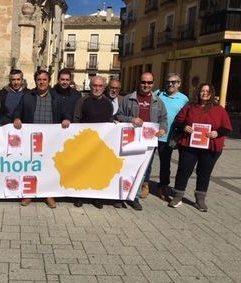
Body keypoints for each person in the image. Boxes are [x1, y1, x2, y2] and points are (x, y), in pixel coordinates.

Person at [169, 83, 232, 212]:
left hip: (210, 147)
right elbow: (178, 121)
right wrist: (184, 127)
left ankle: (200, 199)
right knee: (183, 170)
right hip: (189, 145)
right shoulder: (190, 107)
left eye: (207, 91)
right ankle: (178, 196)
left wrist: (217, 133)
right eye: (202, 91)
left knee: (204, 173)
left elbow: (226, 127)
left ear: (211, 93)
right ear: (198, 93)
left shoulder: (218, 109)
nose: (204, 93)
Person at [13, 69, 71, 208]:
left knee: (49, 168)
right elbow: (17, 111)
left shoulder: (56, 97)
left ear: (49, 81)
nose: (42, 82)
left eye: (44, 79)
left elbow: (65, 113)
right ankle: (29, 194)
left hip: (50, 141)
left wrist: (67, 119)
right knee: (31, 167)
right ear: (35, 81)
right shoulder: (27, 96)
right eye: (39, 79)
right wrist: (16, 118)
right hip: (31, 140)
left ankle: (49, 195)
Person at [116, 72, 167, 210]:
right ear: (139, 83)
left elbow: (163, 119)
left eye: (149, 83)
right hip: (130, 140)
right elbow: (119, 116)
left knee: (142, 171)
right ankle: (120, 196)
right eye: (144, 82)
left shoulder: (158, 101)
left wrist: (163, 129)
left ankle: (135, 197)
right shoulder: (128, 99)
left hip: (148, 143)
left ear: (153, 84)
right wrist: (131, 119)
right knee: (126, 168)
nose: (146, 85)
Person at [73, 75, 114, 209]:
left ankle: (97, 197)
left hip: (100, 144)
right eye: (94, 86)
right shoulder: (82, 101)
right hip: (84, 142)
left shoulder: (108, 103)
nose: (97, 88)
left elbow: (109, 121)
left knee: (98, 170)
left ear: (104, 88)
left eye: (100, 86)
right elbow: (76, 119)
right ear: (90, 87)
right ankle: (80, 196)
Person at [155, 73, 189, 201]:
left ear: (179, 84)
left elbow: (187, 117)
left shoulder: (184, 99)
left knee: (165, 164)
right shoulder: (158, 93)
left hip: (168, 137)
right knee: (146, 162)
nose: (170, 84)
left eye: (174, 82)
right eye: (168, 82)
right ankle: (144, 184)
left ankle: (163, 185)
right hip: (152, 134)